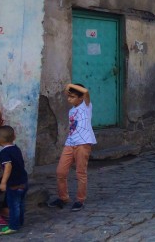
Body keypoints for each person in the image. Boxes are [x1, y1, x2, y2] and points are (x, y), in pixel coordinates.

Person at [47, 83, 96, 212]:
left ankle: (80, 200)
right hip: (70, 142)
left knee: (81, 172)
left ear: (80, 98)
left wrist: (70, 85)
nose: (69, 99)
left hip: (83, 143)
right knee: (60, 171)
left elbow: (85, 91)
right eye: (69, 97)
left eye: (73, 97)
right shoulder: (71, 110)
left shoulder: (86, 106)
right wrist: (68, 90)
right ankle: (63, 198)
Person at [0, 125, 28, 236]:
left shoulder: (4, 152)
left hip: (14, 184)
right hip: (23, 181)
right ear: (14, 137)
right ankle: (19, 222)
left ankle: (13, 226)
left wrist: (3, 182)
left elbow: (8, 166)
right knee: (20, 203)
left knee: (13, 205)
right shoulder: (16, 148)